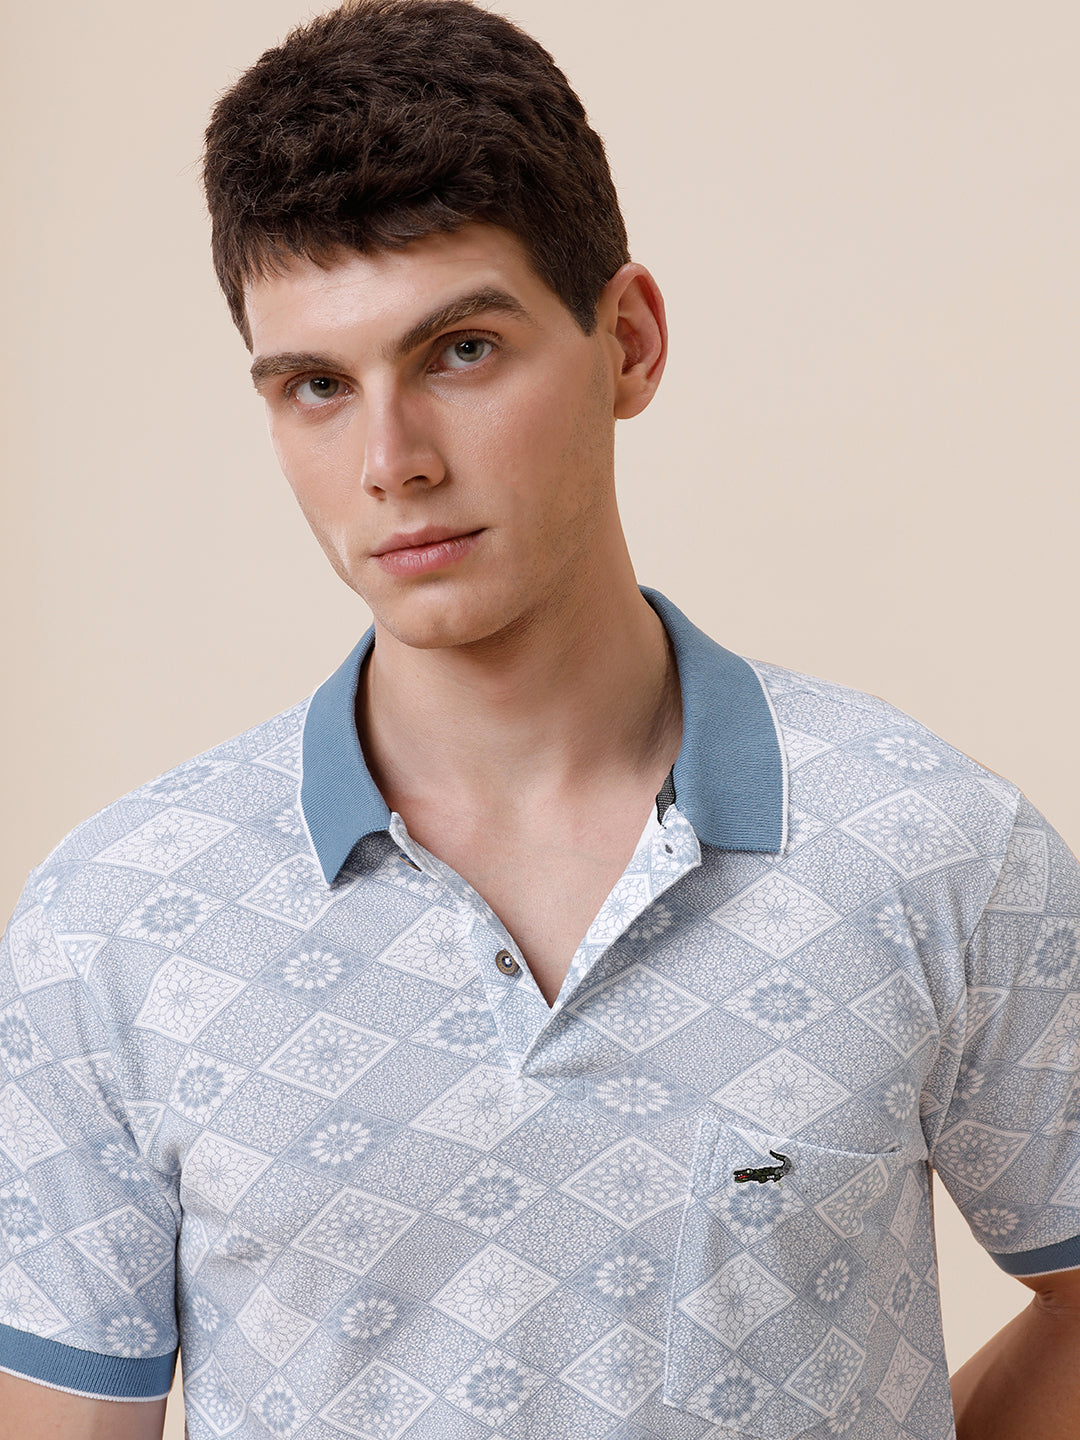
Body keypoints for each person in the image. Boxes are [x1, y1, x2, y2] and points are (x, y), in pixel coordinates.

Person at [0, 2, 1078, 1436]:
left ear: (627, 341)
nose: (391, 461)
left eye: (459, 351)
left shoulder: (937, 849)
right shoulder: (117, 923)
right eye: (316, 386)